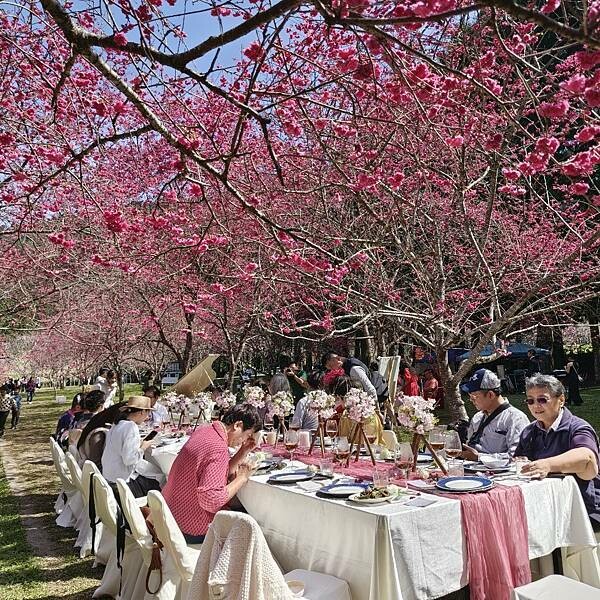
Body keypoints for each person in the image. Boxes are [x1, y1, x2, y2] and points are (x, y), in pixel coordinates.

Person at [162, 403, 260, 544]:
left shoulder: (205, 430)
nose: (244, 440)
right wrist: (242, 478)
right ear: (237, 425)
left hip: (170, 516)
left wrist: (242, 452)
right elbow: (211, 501)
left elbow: (216, 475)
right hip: (190, 528)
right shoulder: (218, 447)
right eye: (247, 435)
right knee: (252, 520)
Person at [515, 374, 600, 529]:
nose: (535, 406)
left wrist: (548, 465)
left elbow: (586, 458)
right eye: (530, 401)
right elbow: (520, 462)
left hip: (581, 512)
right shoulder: (528, 432)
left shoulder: (578, 428)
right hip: (542, 510)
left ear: (561, 400)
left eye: (542, 400)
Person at [460, 368, 529, 460]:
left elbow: (518, 457)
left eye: (474, 396)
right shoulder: (477, 417)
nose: (471, 400)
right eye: (470, 396)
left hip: (501, 469)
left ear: (491, 395)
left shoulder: (515, 418)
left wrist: (480, 457)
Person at [101, 395, 161, 497]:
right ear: (142, 412)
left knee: (151, 473)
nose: (147, 417)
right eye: (148, 413)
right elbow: (129, 460)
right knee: (160, 480)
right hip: (121, 482)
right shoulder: (131, 426)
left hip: (109, 476)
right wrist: (143, 447)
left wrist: (139, 445)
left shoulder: (117, 424)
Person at [321, 352, 388, 404]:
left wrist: (375, 409)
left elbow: (370, 388)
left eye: (331, 366)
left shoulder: (354, 369)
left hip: (376, 394)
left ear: (337, 359)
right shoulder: (347, 365)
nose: (332, 369)